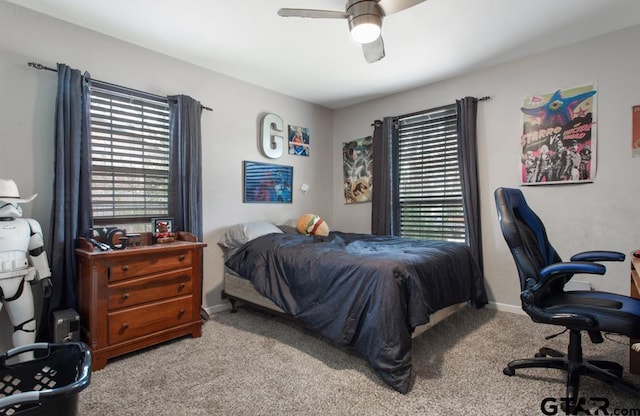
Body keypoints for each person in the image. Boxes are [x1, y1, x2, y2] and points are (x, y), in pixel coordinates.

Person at [0, 179, 51, 360]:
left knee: (27, 326)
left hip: (20, 281)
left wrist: (44, 276)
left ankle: (26, 366)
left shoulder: (29, 225)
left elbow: (37, 253)